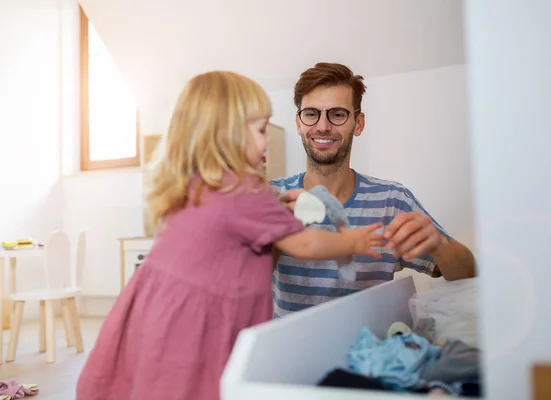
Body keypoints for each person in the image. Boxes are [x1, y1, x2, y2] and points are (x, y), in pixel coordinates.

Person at [75, 71, 386, 400]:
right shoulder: (245, 189)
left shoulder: (197, 185)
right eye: (261, 129)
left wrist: (275, 214)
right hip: (198, 323)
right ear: (227, 134)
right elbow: (305, 243)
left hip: (159, 314)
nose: (266, 140)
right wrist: (352, 242)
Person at [271, 62, 476, 318]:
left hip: (371, 354)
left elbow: (468, 274)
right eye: (311, 113)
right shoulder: (271, 198)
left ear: (358, 123)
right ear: (299, 123)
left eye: (337, 114)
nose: (323, 126)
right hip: (290, 354)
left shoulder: (392, 201)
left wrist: (440, 245)